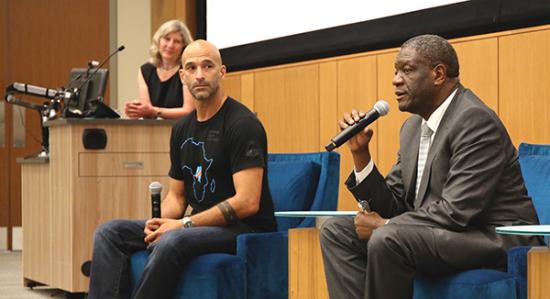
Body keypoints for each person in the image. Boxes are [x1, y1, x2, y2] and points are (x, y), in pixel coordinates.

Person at [319, 34, 543, 299]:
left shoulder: (474, 120)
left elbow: (456, 211)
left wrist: (387, 224)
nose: (396, 79)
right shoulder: (413, 127)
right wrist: (360, 154)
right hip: (440, 232)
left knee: (387, 237)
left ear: (438, 75)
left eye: (407, 70)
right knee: (335, 231)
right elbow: (394, 202)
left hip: (490, 237)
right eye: (395, 71)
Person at [88, 40, 277, 299]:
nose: (199, 74)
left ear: (222, 72)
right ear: (182, 76)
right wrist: (160, 222)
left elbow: (247, 202)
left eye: (207, 66)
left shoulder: (242, 124)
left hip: (245, 229)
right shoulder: (181, 129)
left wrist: (183, 224)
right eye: (191, 67)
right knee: (110, 233)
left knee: (173, 239)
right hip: (198, 225)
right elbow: (177, 197)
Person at [124, 19, 195, 119]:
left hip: (182, 130)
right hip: (154, 131)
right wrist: (136, 110)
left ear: (184, 46)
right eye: (167, 39)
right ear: (158, 41)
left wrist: (155, 111)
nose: (170, 45)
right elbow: (147, 112)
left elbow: (188, 111)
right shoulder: (146, 70)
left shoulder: (188, 69)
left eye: (177, 41)